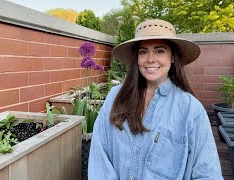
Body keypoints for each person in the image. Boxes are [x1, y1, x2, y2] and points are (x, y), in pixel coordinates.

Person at [88, 19, 223, 180]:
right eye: (143, 52)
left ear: (173, 57)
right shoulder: (115, 97)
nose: (150, 59)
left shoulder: (191, 109)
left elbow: (207, 173)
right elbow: (99, 156)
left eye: (159, 51)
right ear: (136, 58)